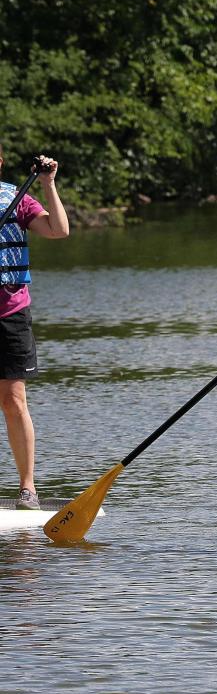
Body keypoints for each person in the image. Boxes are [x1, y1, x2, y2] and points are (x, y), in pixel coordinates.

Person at [0, 146, 70, 509]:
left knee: (13, 400)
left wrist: (47, 183)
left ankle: (27, 488)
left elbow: (59, 230)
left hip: (9, 312)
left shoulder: (15, 199)